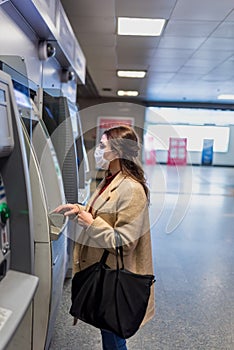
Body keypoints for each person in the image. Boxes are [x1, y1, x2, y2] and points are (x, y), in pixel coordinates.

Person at [53, 125, 155, 350]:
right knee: (110, 333)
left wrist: (91, 223)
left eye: (102, 146)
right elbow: (104, 214)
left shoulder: (131, 188)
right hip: (106, 271)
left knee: (115, 336)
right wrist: (80, 209)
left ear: (117, 151)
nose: (97, 150)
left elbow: (126, 243)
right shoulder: (112, 179)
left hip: (116, 276)